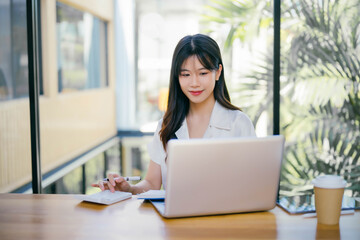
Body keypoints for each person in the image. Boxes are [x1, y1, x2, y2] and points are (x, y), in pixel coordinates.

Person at [91, 34, 256, 194]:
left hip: (225, 219)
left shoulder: (239, 123)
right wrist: (129, 189)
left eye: (203, 73)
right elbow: (152, 183)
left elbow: (252, 183)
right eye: (185, 75)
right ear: (177, 76)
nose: (194, 83)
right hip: (174, 220)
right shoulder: (167, 124)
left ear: (218, 72)